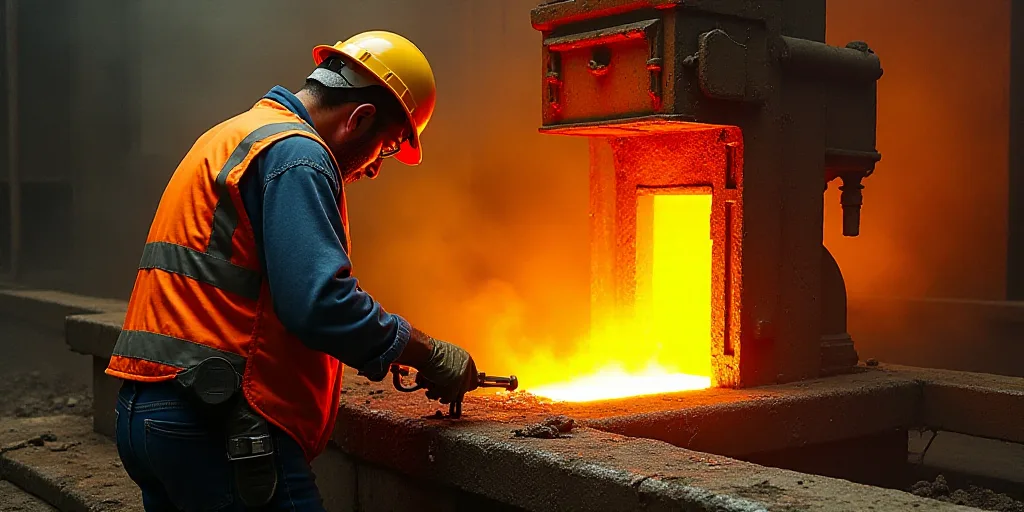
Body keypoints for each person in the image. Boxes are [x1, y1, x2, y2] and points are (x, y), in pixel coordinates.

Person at [105, 31, 478, 511]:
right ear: (359, 119)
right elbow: (321, 303)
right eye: (384, 148)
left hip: (144, 413)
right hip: (216, 423)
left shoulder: (233, 134)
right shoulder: (297, 154)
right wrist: (429, 354)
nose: (374, 170)